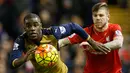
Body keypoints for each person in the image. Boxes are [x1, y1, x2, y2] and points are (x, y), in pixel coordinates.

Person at [9, 13, 110, 73]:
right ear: (24, 28)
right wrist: (25, 58)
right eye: (28, 26)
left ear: (41, 25)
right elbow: (12, 63)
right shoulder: (21, 40)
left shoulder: (52, 32)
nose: (32, 29)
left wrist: (92, 42)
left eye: (35, 25)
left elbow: (74, 26)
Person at [59, 2, 124, 73]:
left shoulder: (114, 28)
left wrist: (96, 47)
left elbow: (118, 43)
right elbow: (62, 42)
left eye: (101, 15)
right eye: (95, 15)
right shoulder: (85, 32)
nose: (98, 18)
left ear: (108, 17)